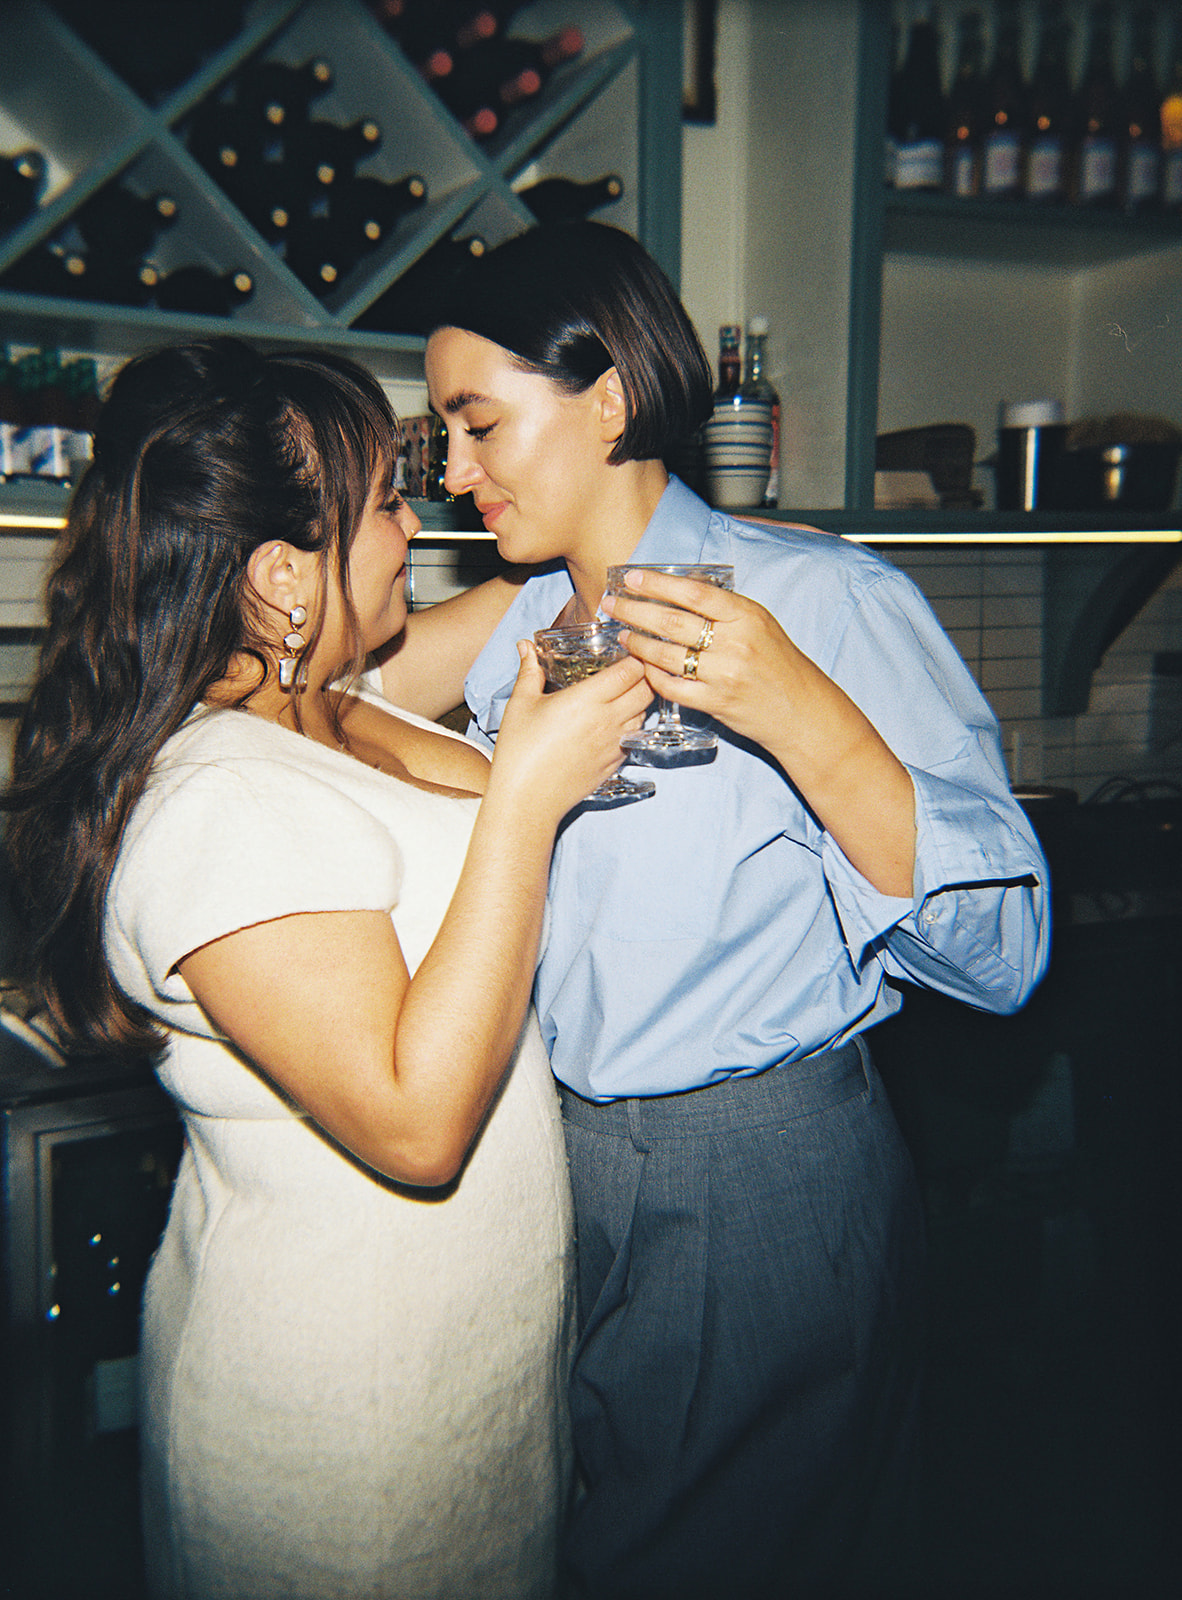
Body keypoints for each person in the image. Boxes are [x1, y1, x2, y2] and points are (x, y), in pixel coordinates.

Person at [415, 221, 1052, 1600]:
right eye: (439, 437)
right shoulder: (508, 643)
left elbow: (1005, 959)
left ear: (607, 398)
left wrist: (803, 717)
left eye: (474, 425)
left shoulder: (823, 601)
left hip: (750, 1179)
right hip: (550, 1170)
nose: (451, 475)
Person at [1, 337, 651, 1600]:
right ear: (284, 576)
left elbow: (554, 597)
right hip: (345, 1430)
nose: (422, 525)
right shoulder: (214, 801)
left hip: (474, 1381)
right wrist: (524, 794)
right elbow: (416, 1124)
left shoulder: (340, 704)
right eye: (391, 501)